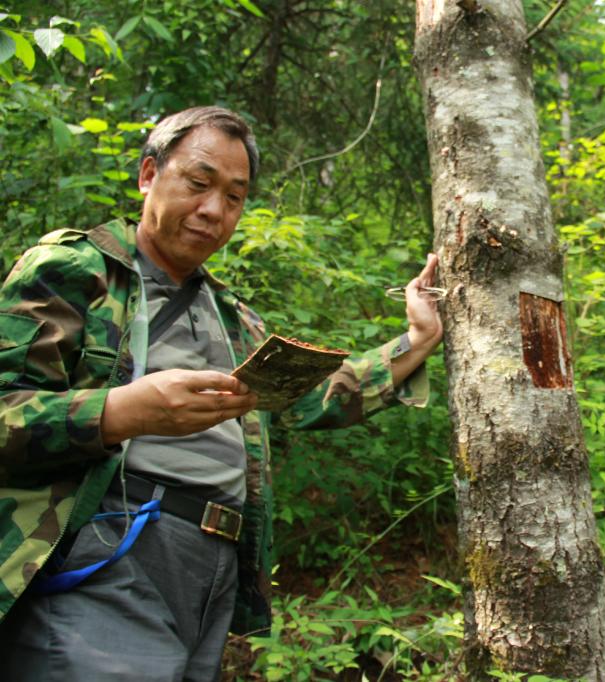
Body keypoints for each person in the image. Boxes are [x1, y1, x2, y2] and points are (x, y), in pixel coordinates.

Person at [0, 106, 443, 680]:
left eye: (234, 197)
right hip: (109, 542)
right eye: (198, 183)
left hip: (215, 567)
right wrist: (120, 412)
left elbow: (311, 398)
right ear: (148, 175)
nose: (214, 210)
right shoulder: (76, 268)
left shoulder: (232, 315)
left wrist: (417, 339)